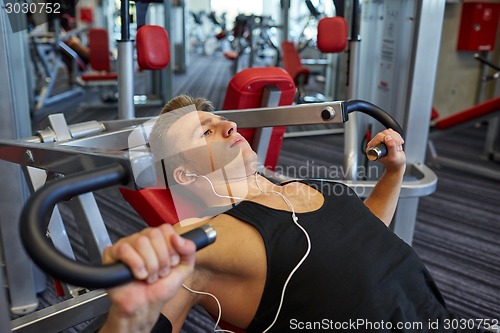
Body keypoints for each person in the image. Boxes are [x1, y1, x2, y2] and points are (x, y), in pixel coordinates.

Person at [100, 95, 488, 333]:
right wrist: (126, 317)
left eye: (221, 121)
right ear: (184, 173)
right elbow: (142, 315)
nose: (229, 125)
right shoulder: (203, 239)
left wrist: (394, 172)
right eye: (206, 132)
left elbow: (366, 235)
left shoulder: (304, 185)